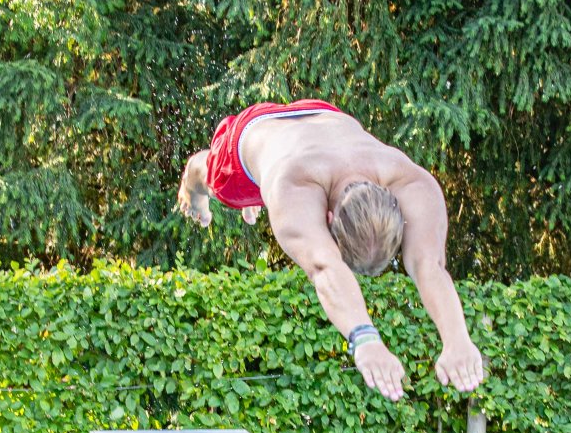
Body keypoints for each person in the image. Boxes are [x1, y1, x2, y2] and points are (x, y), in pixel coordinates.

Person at [176, 99, 486, 401]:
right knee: (214, 179)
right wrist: (365, 339)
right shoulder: (294, 185)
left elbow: (429, 265)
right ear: (326, 220)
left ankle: (258, 200)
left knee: (280, 202)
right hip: (249, 137)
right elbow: (325, 267)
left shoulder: (409, 179)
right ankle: (194, 184)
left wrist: (458, 339)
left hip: (323, 115)